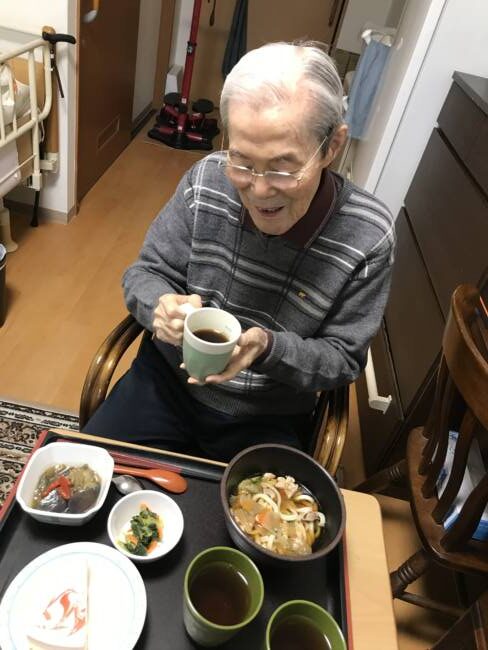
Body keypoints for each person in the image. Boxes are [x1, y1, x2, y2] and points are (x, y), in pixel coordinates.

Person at [84, 41, 395, 461]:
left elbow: (342, 359)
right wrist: (160, 306)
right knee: (83, 479)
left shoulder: (368, 235)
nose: (259, 189)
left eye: (283, 168)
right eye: (242, 161)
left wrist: (268, 350)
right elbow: (146, 272)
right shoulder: (207, 180)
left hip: (268, 415)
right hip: (165, 384)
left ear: (332, 146)